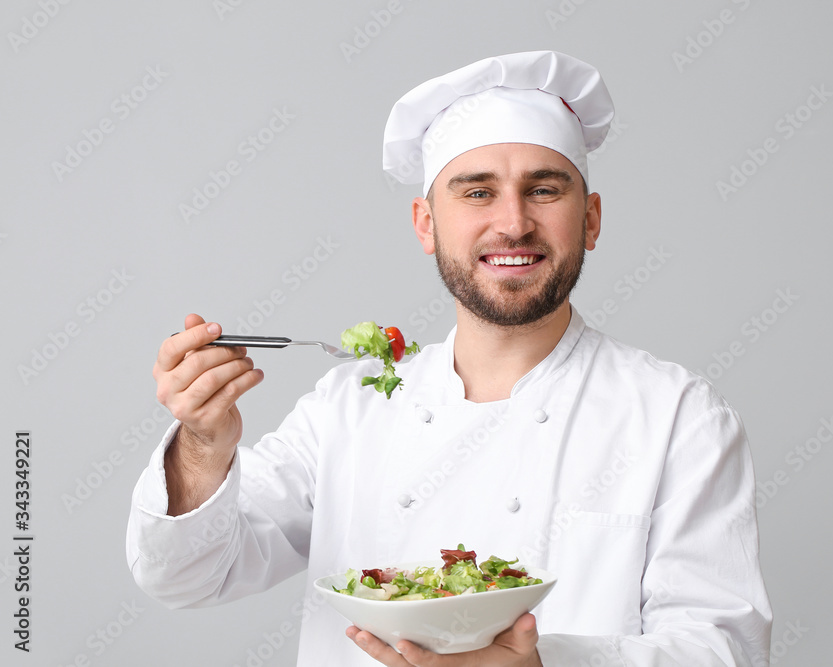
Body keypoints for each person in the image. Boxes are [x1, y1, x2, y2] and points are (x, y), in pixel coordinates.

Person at [127, 50, 772, 666]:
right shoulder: (347, 410)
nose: (514, 223)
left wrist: (542, 666)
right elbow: (184, 576)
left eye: (544, 190)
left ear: (592, 220)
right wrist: (203, 446)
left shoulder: (675, 417)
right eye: (477, 192)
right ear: (426, 224)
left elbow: (724, 650)